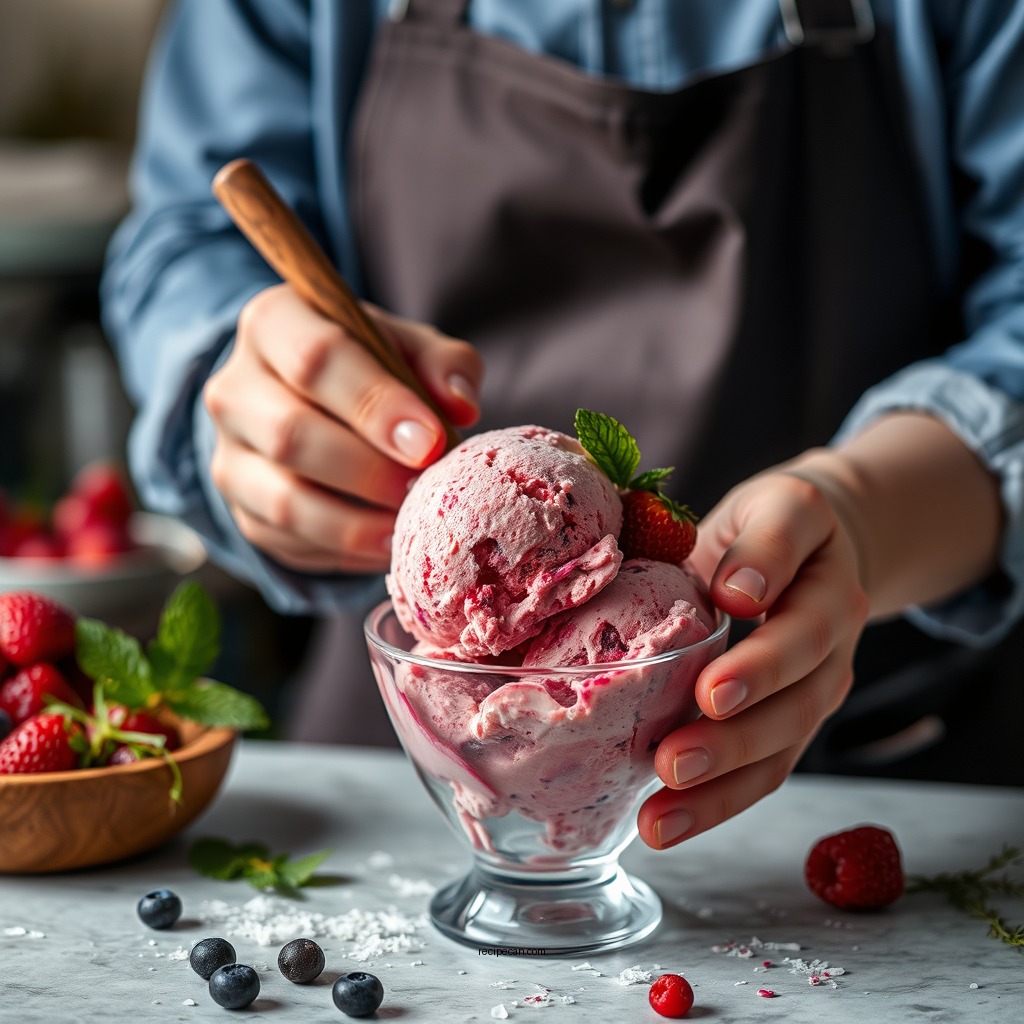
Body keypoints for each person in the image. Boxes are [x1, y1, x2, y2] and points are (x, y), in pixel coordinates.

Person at [102, 0, 1024, 851]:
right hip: (418, 763)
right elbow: (185, 239)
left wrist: (860, 510)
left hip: (880, 763)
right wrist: (250, 391)